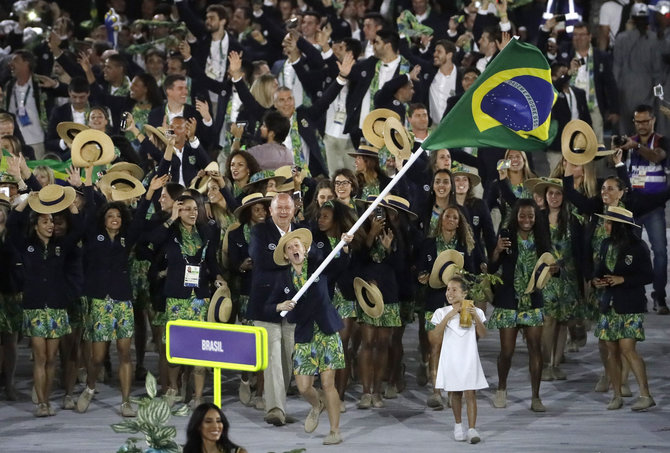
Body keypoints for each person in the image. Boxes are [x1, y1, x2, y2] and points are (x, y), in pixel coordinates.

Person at [8, 184, 82, 416]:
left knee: (51, 359)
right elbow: (11, 225)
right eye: (45, 222)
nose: (50, 225)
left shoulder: (61, 246)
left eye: (52, 221)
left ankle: (47, 400)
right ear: (36, 225)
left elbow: (79, 230)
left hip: (58, 308)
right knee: (40, 358)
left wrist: (71, 207)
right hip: (36, 308)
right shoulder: (27, 246)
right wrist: (27, 200)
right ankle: (40, 403)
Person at [272, 228, 350, 445]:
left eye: (297, 245)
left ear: (305, 249)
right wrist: (280, 305)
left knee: (328, 384)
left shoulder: (318, 267)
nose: (294, 249)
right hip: (304, 335)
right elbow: (268, 303)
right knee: (304, 387)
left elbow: (339, 265)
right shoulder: (283, 279)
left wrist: (343, 247)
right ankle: (317, 405)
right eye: (290, 247)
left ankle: (335, 431)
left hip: (327, 332)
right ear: (286, 255)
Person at [487, 198, 554, 412]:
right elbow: (491, 267)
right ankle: (502, 389)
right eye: (523, 216)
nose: (527, 220)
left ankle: (536, 397)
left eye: (531, 216)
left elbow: (552, 263)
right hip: (508, 301)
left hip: (533, 301)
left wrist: (555, 269)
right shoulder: (507, 236)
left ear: (536, 218)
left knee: (536, 348)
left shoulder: (542, 238)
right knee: (507, 351)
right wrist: (497, 250)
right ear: (516, 217)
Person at [592, 207, 656, 411]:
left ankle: (645, 394)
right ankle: (616, 394)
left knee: (628, 349)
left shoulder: (638, 247)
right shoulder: (605, 244)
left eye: (610, 223)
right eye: (606, 222)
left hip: (630, 305)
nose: (606, 226)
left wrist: (623, 279)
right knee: (612, 351)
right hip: (609, 304)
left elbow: (648, 276)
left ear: (621, 226)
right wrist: (597, 281)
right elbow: (600, 270)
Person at [619, 105, 669, 314]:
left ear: (653, 121)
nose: (641, 125)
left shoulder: (661, 141)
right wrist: (617, 150)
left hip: (654, 206)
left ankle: (659, 296)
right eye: (638, 121)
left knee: (659, 252)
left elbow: (657, 157)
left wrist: (636, 146)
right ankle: (636, 295)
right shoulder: (628, 142)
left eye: (645, 121)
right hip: (632, 208)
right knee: (631, 253)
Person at [431, 276, 487, 444]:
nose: (450, 293)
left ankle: (472, 429)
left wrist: (475, 316)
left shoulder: (475, 310)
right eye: (448, 289)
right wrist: (450, 314)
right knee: (455, 392)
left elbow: (483, 334)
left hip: (468, 357)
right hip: (452, 359)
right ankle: (458, 425)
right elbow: (435, 336)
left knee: (470, 392)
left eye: (454, 290)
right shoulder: (441, 312)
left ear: (465, 293)